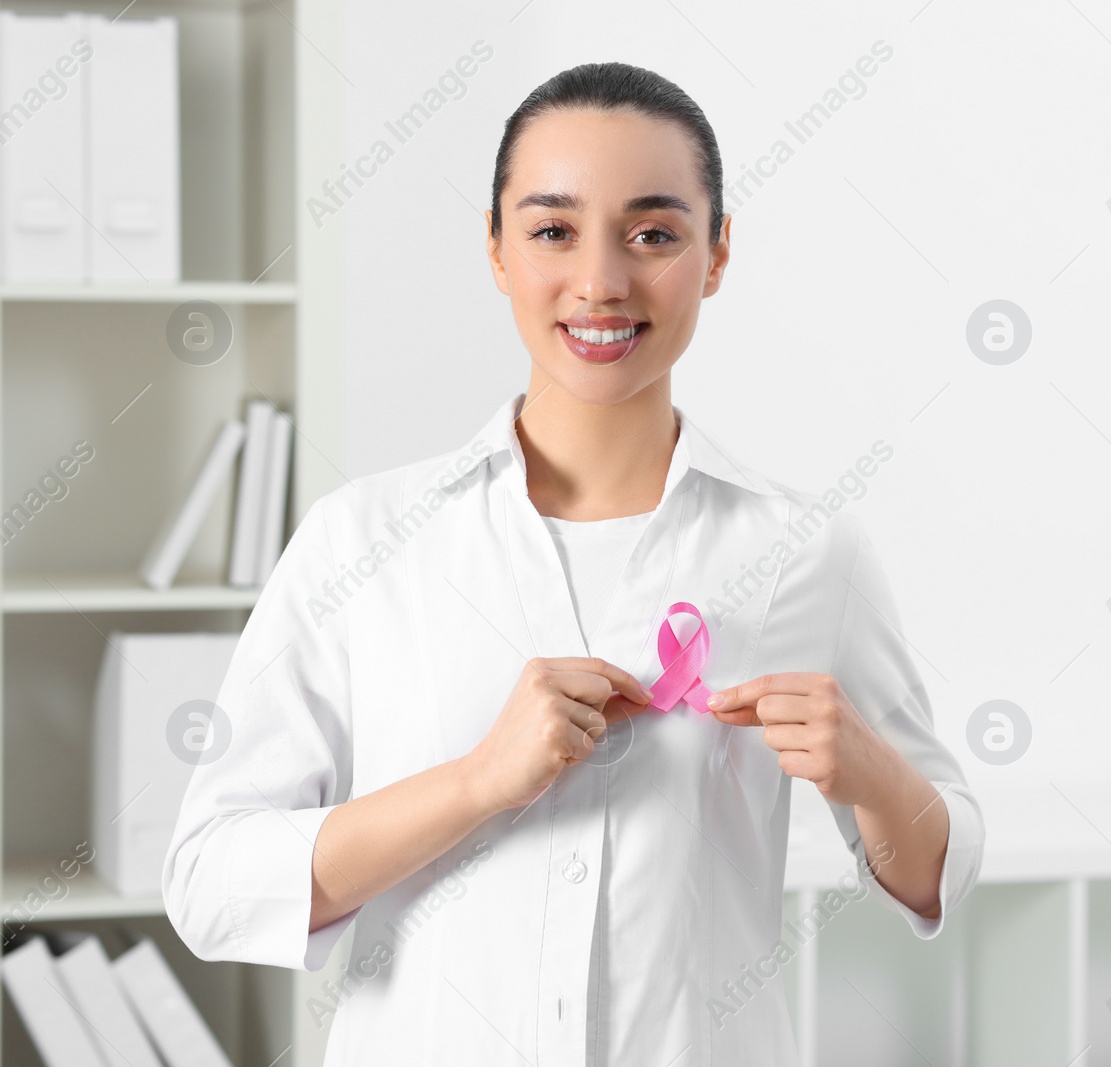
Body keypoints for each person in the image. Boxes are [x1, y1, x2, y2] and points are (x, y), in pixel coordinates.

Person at [163, 60, 983, 1065]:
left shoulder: (803, 554)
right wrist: (476, 781)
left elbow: (934, 871)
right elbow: (211, 881)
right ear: (497, 249)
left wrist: (869, 771)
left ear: (717, 253)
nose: (600, 280)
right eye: (553, 228)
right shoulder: (360, 541)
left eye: (654, 233)